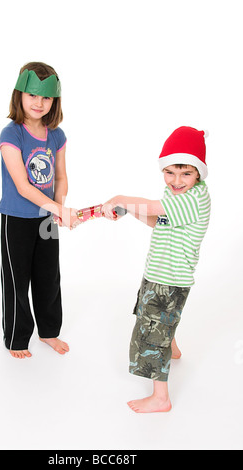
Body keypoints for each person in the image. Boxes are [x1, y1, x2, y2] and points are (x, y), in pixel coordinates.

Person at [102, 126, 211, 413]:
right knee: (154, 318)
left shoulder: (194, 198)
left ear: (199, 173)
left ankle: (160, 397)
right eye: (170, 172)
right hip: (158, 272)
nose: (176, 180)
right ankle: (172, 347)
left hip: (169, 279)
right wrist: (129, 211)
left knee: (151, 334)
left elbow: (153, 206)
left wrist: (120, 198)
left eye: (186, 173)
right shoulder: (177, 194)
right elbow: (157, 220)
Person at [0, 62, 80, 359]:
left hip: (46, 218)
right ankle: (17, 338)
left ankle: (49, 332)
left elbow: (60, 176)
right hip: (17, 218)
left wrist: (60, 208)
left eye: (45, 97)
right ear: (19, 95)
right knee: (17, 278)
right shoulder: (11, 134)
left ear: (54, 101)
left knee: (48, 275)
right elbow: (22, 185)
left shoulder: (56, 135)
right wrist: (58, 207)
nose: (38, 102)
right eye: (32, 95)